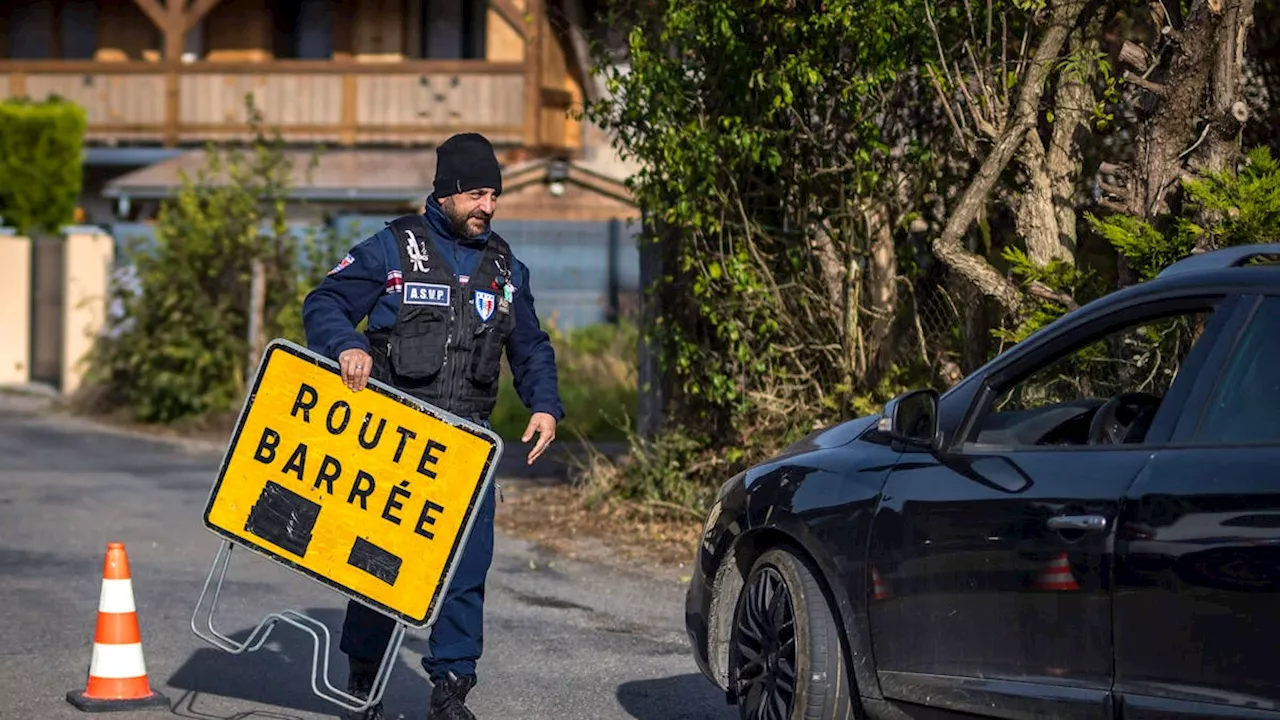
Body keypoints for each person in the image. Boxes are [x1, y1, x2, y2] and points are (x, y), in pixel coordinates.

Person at [301, 132, 564, 720]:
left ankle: (450, 691)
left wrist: (545, 404)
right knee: (377, 565)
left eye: (493, 195)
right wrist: (346, 345)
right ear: (446, 192)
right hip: (394, 440)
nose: (487, 207)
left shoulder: (505, 268)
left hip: (467, 446)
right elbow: (324, 303)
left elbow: (530, 347)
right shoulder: (393, 249)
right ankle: (362, 679)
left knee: (466, 572)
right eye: (476, 194)